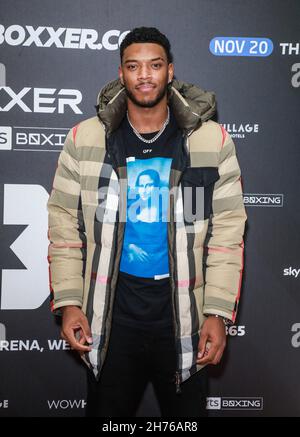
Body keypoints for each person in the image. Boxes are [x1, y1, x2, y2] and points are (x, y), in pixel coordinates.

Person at [47, 26, 247, 417]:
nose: (144, 75)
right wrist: (70, 303)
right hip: (110, 315)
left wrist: (218, 313)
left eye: (154, 65)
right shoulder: (85, 138)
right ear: (120, 73)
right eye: (133, 66)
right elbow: (64, 224)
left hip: (183, 314)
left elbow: (227, 230)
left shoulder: (211, 141)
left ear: (170, 71)